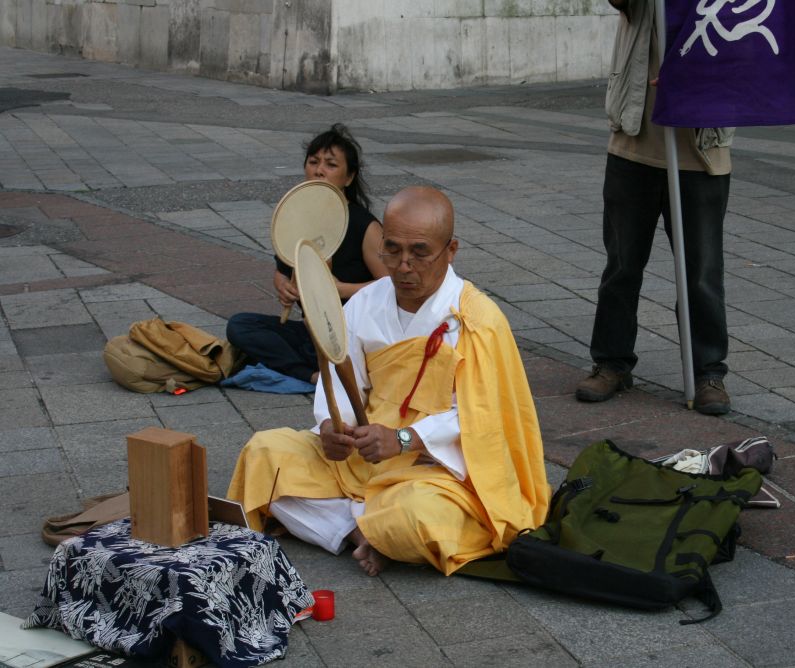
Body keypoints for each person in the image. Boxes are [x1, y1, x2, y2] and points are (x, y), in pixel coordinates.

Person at [227, 187, 550, 576]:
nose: (403, 266)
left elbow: (483, 417)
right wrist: (333, 426)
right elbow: (340, 377)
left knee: (417, 515)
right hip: (363, 453)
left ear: (451, 251)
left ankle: (364, 524)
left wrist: (403, 439)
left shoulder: (477, 320)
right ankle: (360, 533)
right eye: (392, 250)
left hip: (433, 469)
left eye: (419, 253)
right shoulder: (367, 301)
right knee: (263, 455)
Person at [575, 0, 734, 415]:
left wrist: (694, 74)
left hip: (702, 151)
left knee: (701, 273)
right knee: (622, 266)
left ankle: (707, 372)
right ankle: (612, 362)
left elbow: (744, 43)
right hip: (634, 142)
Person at [226, 124, 388, 385]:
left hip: (352, 334)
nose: (319, 170)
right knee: (239, 326)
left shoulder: (364, 226)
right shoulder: (297, 218)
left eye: (331, 165)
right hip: (310, 331)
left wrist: (337, 290)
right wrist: (284, 287)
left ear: (349, 177)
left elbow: (391, 286)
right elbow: (282, 272)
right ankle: (313, 376)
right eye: (313, 162)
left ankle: (313, 369)